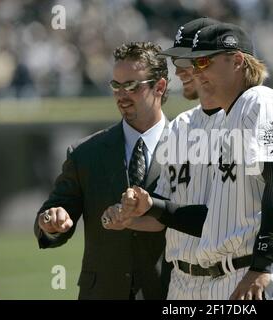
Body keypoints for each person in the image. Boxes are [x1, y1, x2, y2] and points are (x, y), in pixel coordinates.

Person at [172, 23, 273, 300]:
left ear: (237, 60)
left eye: (203, 62)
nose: (196, 72)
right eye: (194, 64)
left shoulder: (261, 103)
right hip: (241, 275)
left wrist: (261, 264)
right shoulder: (231, 116)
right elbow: (215, 218)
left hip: (269, 276)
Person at [34, 41, 171, 300]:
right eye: (116, 86)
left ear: (159, 87)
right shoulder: (85, 153)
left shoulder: (189, 147)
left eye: (131, 86)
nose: (121, 94)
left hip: (171, 294)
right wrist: (51, 221)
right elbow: (56, 212)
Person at [113, 17, 224, 300]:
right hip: (183, 283)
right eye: (177, 61)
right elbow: (165, 216)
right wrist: (131, 215)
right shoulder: (180, 126)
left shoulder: (248, 118)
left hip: (230, 274)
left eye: (188, 60)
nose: (180, 70)